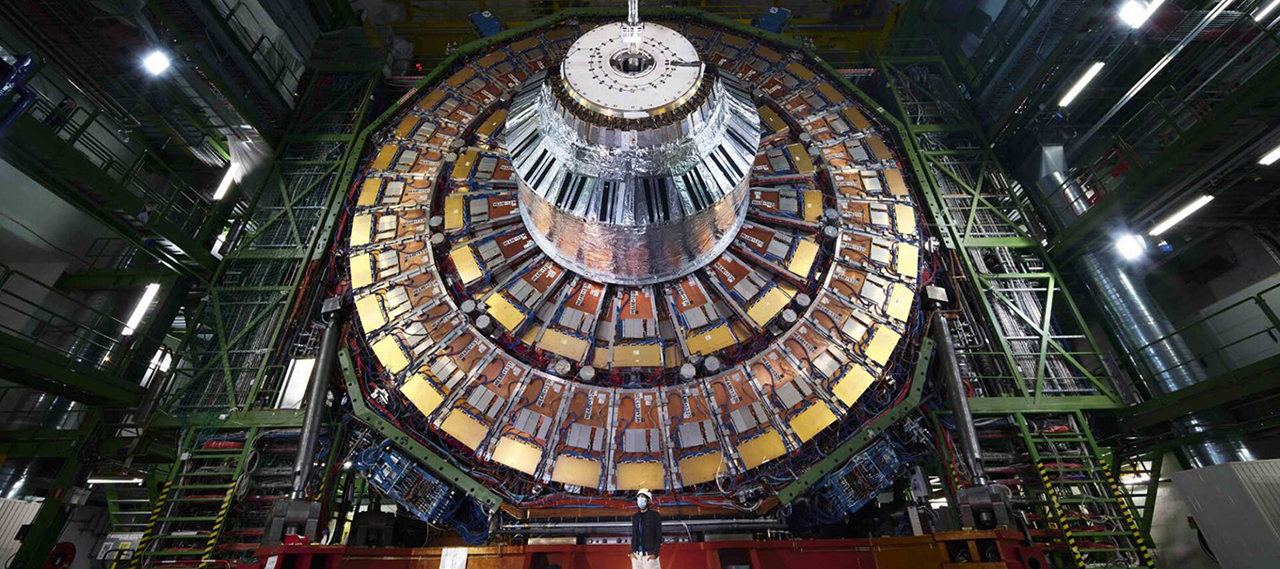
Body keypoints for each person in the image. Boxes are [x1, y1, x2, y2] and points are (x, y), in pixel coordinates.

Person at [629, 488, 661, 569]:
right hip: (637, 557)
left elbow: (659, 536)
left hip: (650, 556)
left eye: (642, 497)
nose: (640, 499)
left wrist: (655, 554)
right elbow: (634, 535)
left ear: (648, 500)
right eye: (638, 497)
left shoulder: (655, 515)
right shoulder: (635, 516)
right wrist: (631, 552)